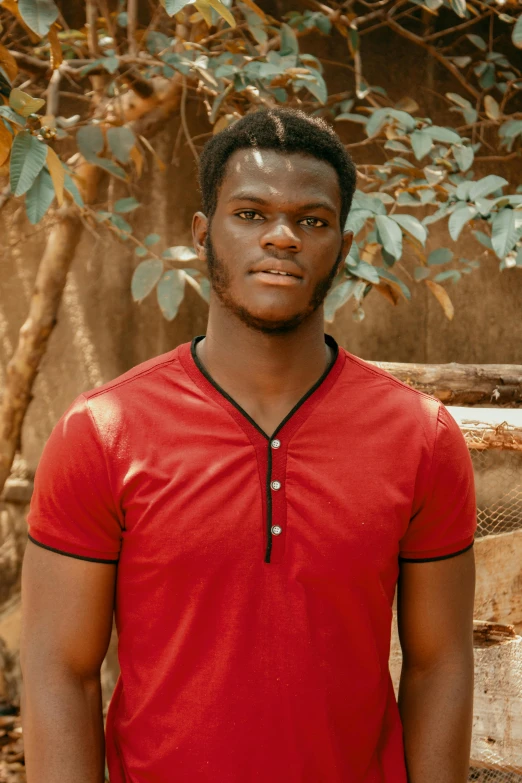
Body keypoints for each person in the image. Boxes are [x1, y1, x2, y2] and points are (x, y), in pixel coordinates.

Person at [21, 107, 476, 783]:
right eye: (251, 213)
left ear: (343, 245)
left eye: (312, 220)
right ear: (203, 233)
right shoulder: (102, 431)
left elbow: (440, 663)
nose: (283, 237)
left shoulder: (422, 437)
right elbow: (61, 669)